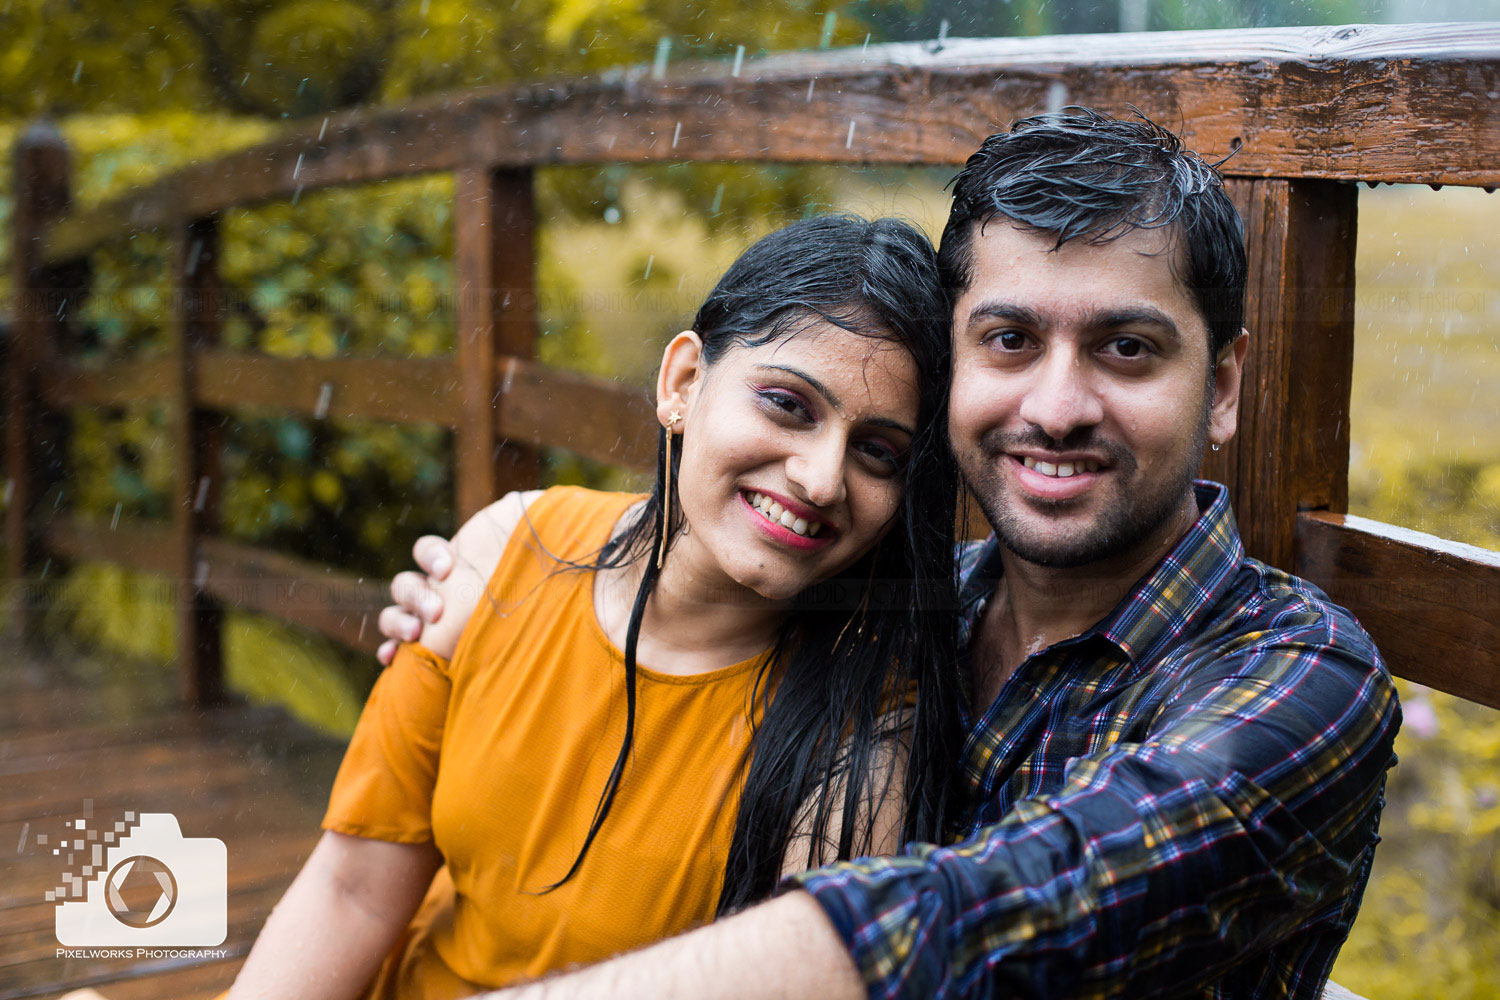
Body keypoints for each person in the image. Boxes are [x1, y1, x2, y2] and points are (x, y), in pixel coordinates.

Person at [381, 109, 1401, 1000]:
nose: (1054, 407)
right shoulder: (894, 607)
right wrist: (504, 565)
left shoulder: (1299, 674)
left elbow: (999, 912)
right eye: (1008, 340)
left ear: (1222, 386)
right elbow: (700, 579)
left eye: (1125, 347)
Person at [224, 214, 969, 999]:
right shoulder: (506, 553)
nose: (821, 478)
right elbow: (354, 887)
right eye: (788, 404)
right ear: (682, 384)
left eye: (877, 451)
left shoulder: (865, 735)